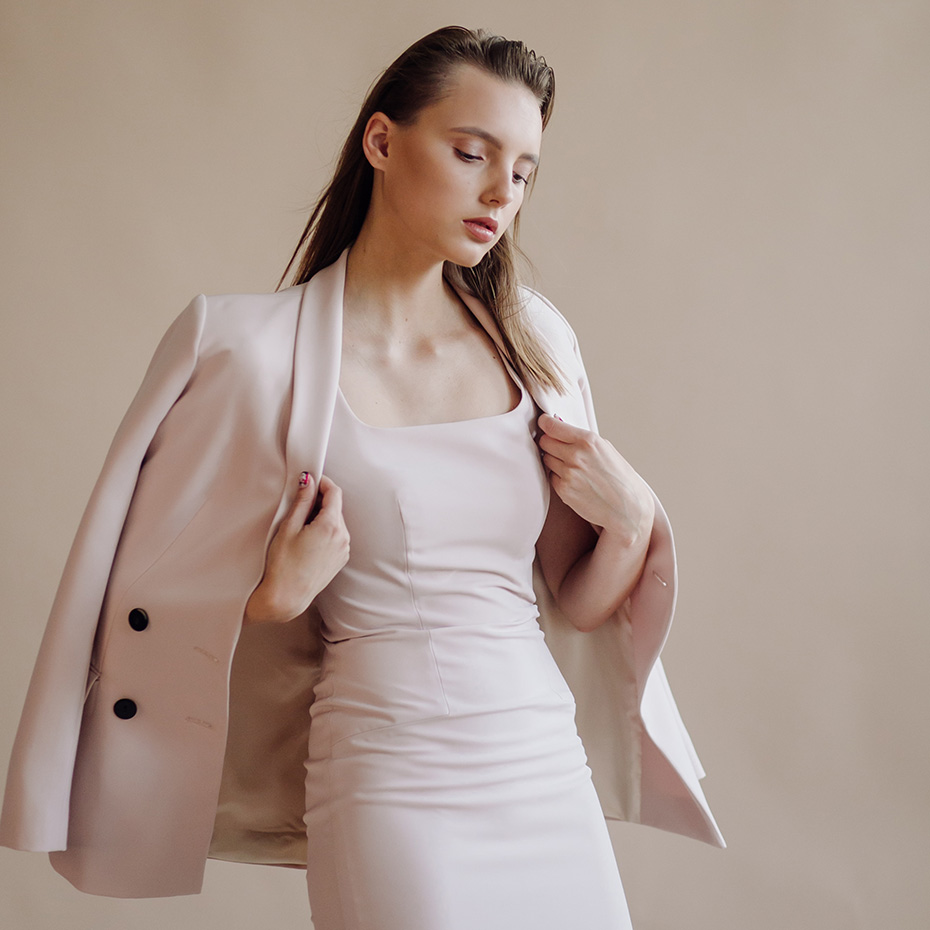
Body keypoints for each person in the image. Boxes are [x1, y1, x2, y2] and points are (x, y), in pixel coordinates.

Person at [0, 25, 723, 929]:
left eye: (524, 171)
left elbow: (576, 604)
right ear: (382, 141)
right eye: (471, 153)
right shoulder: (248, 350)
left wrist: (633, 520)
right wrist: (271, 599)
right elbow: (143, 591)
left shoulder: (536, 340)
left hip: (543, 764)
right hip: (390, 778)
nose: (501, 193)